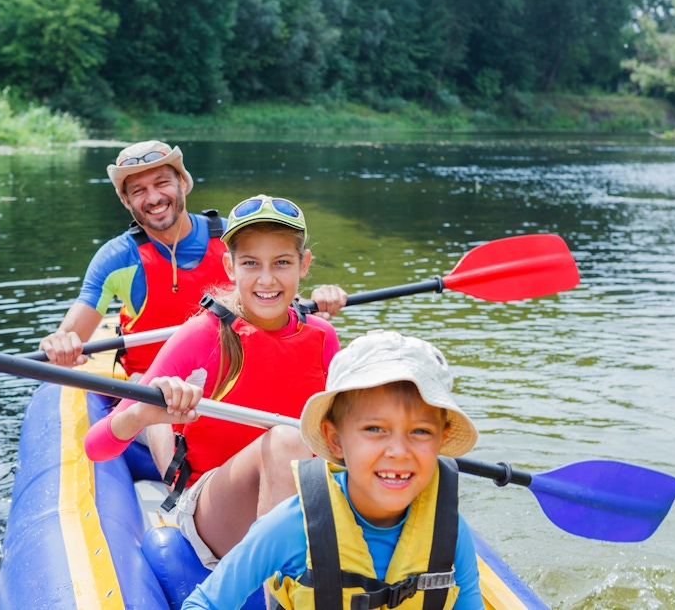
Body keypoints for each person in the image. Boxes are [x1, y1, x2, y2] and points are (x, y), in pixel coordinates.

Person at [84, 195, 341, 566]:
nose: (266, 279)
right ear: (229, 265)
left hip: (299, 493)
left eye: (282, 263)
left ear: (303, 264)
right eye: (250, 263)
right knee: (286, 441)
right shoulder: (201, 336)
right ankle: (284, 594)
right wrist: (141, 414)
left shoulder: (322, 336)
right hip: (213, 506)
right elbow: (96, 447)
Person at [181, 330, 485, 610]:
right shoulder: (292, 525)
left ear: (441, 440)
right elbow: (203, 604)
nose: (398, 451)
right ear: (335, 440)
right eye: (375, 428)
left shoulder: (448, 530)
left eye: (420, 432)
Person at [38, 141, 346, 372]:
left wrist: (319, 300)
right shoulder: (116, 258)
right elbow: (71, 335)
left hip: (234, 373)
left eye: (162, 183)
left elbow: (281, 288)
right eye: (139, 190)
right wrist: (60, 342)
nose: (154, 198)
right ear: (126, 200)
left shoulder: (234, 237)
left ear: (182, 183)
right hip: (153, 386)